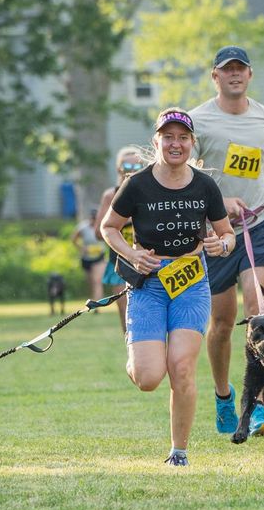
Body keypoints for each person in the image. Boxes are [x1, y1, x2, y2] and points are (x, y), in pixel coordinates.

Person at [99, 109, 236, 466]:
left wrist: (221, 245)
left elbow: (227, 234)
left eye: (183, 138)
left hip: (191, 282)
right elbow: (108, 227)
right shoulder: (138, 184)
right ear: (156, 141)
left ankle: (179, 452)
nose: (176, 144)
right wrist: (132, 254)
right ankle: (137, 351)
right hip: (149, 284)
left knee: (183, 367)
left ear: (192, 143)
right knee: (148, 378)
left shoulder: (205, 185)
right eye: (168, 137)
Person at [189, 45, 264, 436]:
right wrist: (218, 204)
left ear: (250, 75)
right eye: (226, 69)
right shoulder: (198, 120)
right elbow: (187, 173)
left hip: (258, 222)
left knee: (257, 307)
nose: (234, 74)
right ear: (215, 77)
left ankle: (255, 402)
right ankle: (224, 396)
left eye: (241, 69)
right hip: (215, 233)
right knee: (221, 322)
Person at [96, 146, 146, 332]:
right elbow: (99, 232)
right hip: (119, 262)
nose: (132, 169)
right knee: (127, 317)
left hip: (146, 261)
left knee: (147, 315)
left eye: (137, 165)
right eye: (127, 165)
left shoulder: (149, 192)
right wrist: (123, 220)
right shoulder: (111, 195)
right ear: (119, 168)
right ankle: (133, 357)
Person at [72, 208, 107, 303]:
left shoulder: (102, 226)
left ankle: (98, 304)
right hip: (86, 258)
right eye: (92, 218)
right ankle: (93, 299)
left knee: (97, 281)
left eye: (95, 218)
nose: (93, 220)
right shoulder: (83, 227)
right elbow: (74, 239)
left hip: (99, 257)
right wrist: (82, 248)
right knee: (91, 282)